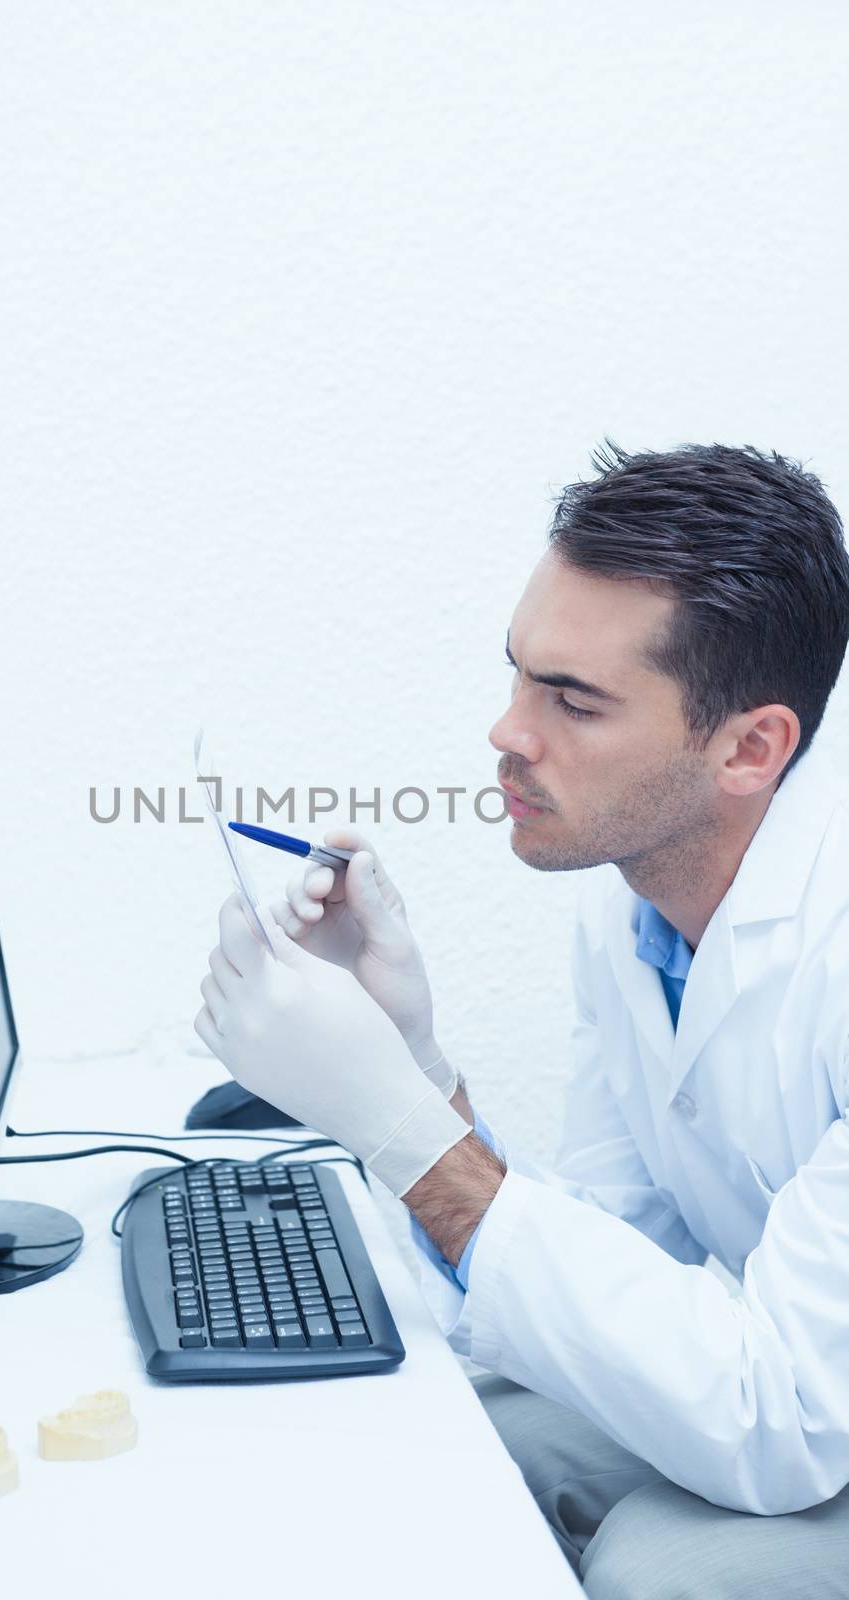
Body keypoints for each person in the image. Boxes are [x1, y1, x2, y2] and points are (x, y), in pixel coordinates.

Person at [194, 441, 849, 1597]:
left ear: (751, 747)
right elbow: (623, 1255)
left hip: (800, 1405)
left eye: (572, 701)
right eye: (517, 675)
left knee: (661, 1573)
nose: (507, 733)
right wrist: (416, 1066)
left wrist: (402, 1134)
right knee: (446, 1439)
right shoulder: (633, 905)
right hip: (788, 1369)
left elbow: (778, 1420)